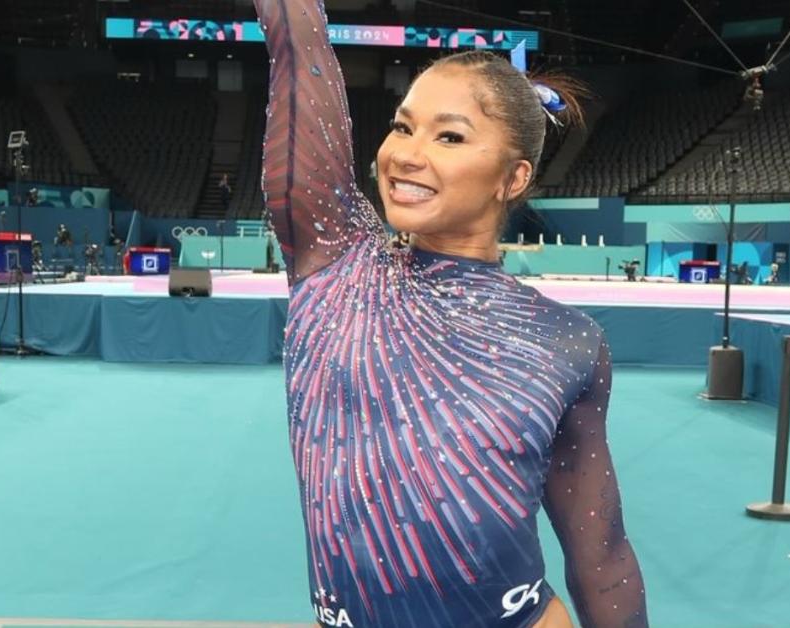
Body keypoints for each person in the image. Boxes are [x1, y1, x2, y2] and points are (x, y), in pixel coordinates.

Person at [255, 1, 648, 626]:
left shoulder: (568, 340)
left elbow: (600, 555)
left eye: (450, 136)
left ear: (512, 178)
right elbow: (297, 47)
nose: (407, 154)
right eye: (402, 126)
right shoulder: (333, 260)